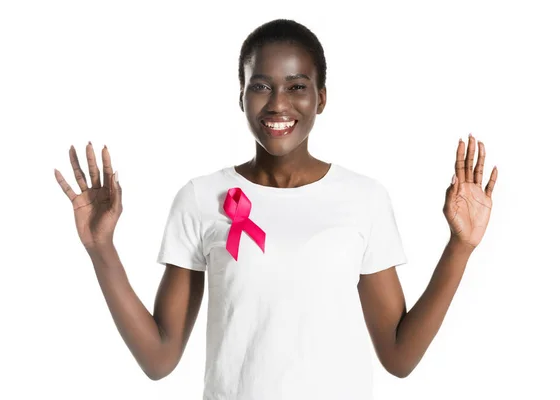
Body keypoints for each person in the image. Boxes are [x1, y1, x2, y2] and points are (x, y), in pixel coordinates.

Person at [54, 19, 498, 400]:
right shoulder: (200, 198)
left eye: (297, 86)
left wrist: (460, 247)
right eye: (261, 86)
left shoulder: (364, 199)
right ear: (242, 96)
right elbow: (158, 358)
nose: (279, 103)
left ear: (321, 98)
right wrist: (101, 249)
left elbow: (399, 357)